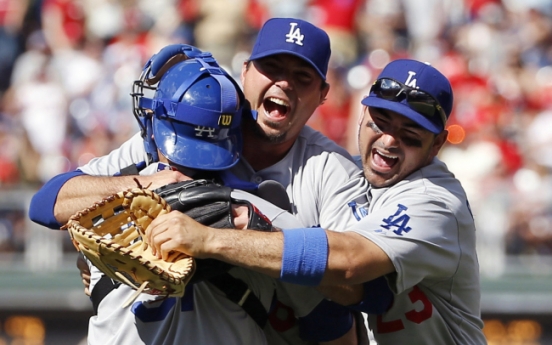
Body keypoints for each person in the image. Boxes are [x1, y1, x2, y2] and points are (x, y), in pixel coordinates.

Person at [30, 18, 383, 344]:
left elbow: (364, 290)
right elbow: (46, 203)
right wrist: (146, 187)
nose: (284, 83)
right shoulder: (198, 127)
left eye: (301, 77)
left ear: (323, 93)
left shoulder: (326, 175)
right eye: (271, 68)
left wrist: (224, 242)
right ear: (245, 71)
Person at [144, 59, 488, 344]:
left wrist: (214, 237)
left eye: (410, 134)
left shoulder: (435, 201)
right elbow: (355, 291)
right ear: (362, 115)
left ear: (437, 144)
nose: (388, 140)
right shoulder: (345, 174)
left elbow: (350, 260)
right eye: (380, 122)